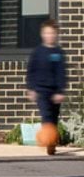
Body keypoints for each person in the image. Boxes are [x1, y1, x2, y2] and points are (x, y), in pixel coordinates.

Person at [26, 19, 69, 156]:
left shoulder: (58, 53)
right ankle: (46, 138)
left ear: (56, 35)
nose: (49, 36)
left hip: (54, 91)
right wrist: (31, 88)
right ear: (42, 34)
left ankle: (52, 143)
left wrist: (61, 91)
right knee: (46, 115)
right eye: (47, 33)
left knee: (54, 117)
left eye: (52, 33)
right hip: (41, 90)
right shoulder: (37, 52)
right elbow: (31, 71)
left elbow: (62, 73)